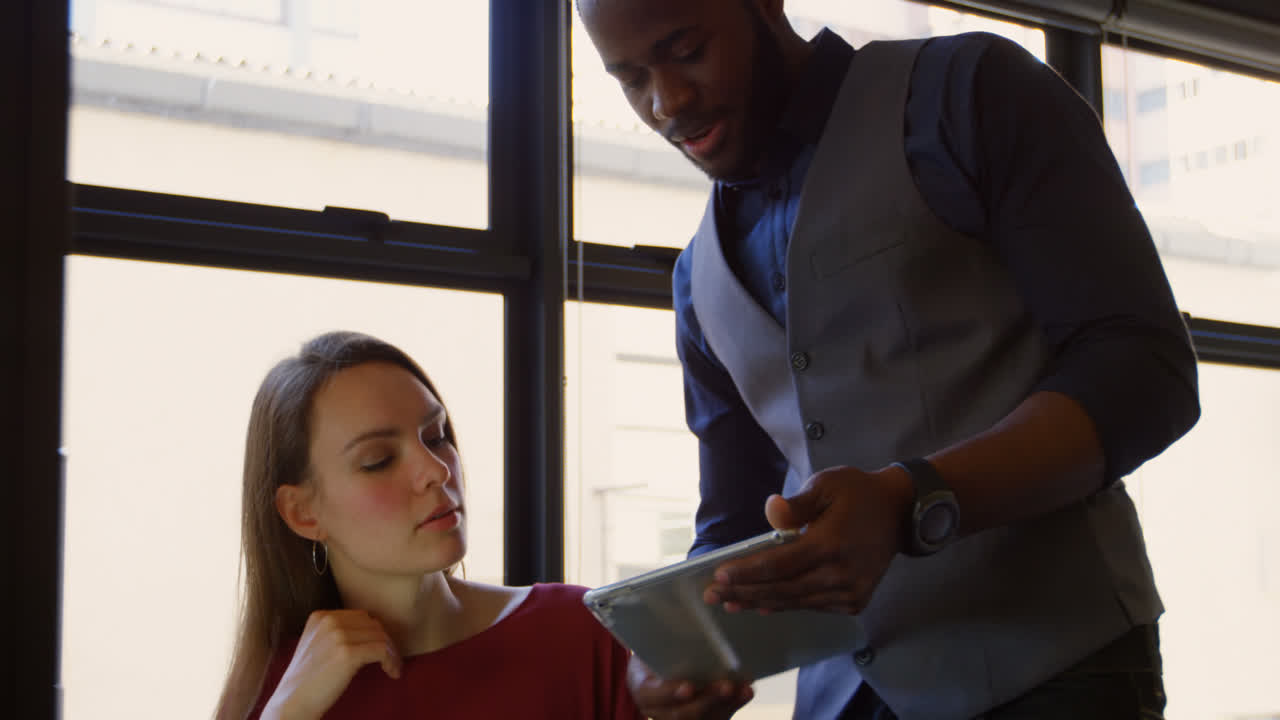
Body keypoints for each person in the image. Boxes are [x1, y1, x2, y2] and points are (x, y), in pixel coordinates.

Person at [578, 1, 1200, 718]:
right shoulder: (698, 280)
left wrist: (912, 498)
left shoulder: (969, 93)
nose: (666, 102)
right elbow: (737, 521)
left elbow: (1142, 369)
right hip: (840, 703)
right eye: (631, 79)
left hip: (1057, 677)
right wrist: (680, 654)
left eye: (687, 51)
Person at [215, 331, 641, 720]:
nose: (437, 470)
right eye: (379, 460)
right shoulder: (277, 693)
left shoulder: (576, 633)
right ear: (302, 513)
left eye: (437, 437)